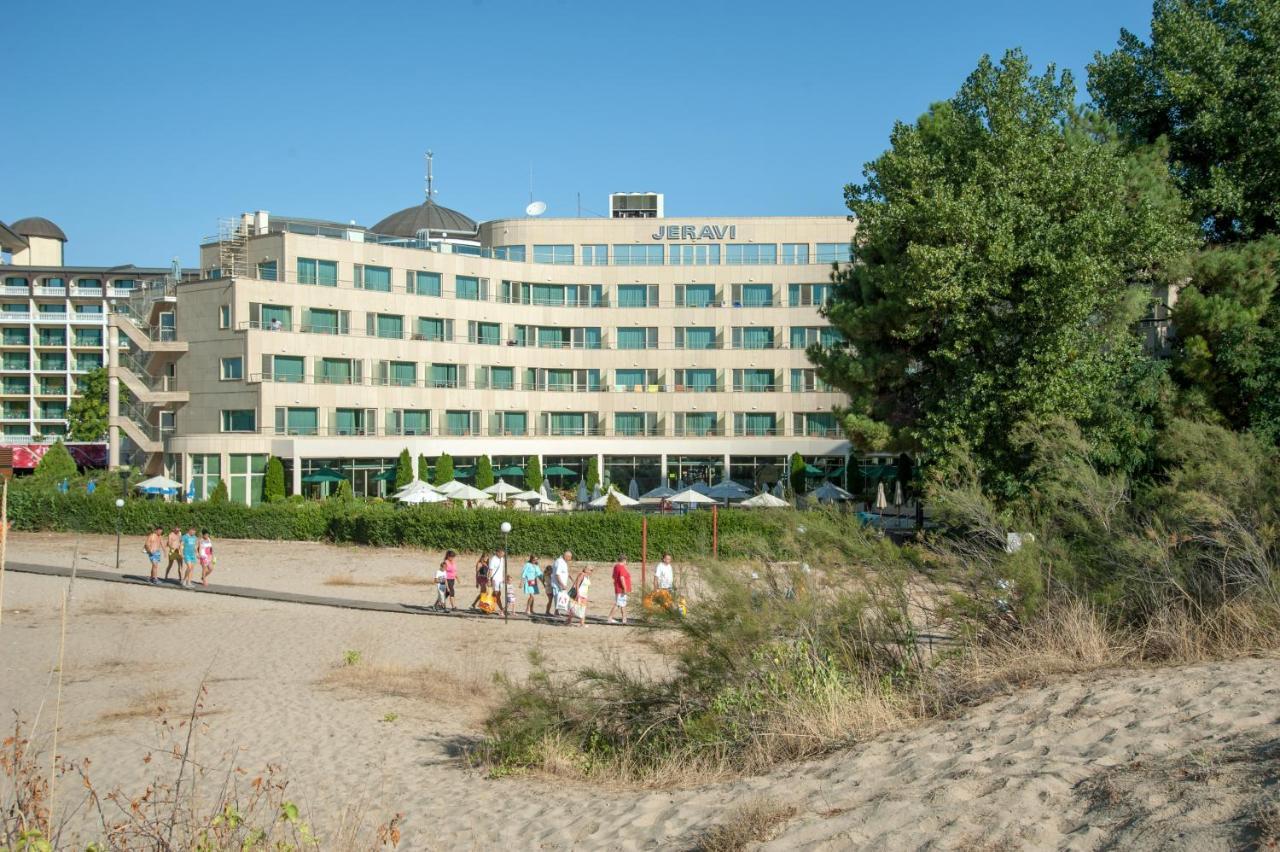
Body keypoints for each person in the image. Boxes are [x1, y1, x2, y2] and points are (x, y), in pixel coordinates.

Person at [608, 555, 632, 624]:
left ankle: (624, 619)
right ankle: (610, 618)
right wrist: (625, 588)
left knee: (623, 604)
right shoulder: (621, 567)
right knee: (618, 604)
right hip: (621, 589)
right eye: (626, 561)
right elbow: (622, 578)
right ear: (624, 560)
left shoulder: (616, 566)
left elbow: (613, 576)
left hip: (618, 587)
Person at [551, 550, 573, 616]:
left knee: (560, 598)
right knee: (559, 598)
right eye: (570, 557)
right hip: (558, 584)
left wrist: (571, 578)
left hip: (560, 584)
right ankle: (556, 612)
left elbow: (564, 572)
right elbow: (557, 574)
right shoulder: (560, 562)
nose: (570, 559)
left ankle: (557, 612)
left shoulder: (563, 561)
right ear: (566, 556)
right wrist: (562, 584)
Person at [489, 548, 507, 615]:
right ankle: (502, 609)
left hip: (500, 579)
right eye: (502, 554)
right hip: (495, 579)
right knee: (497, 594)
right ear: (498, 553)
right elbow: (490, 570)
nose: (503, 555)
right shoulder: (493, 559)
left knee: (497, 594)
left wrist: (503, 578)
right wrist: (489, 579)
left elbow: (502, 569)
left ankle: (489, 607)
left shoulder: (502, 559)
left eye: (503, 554)